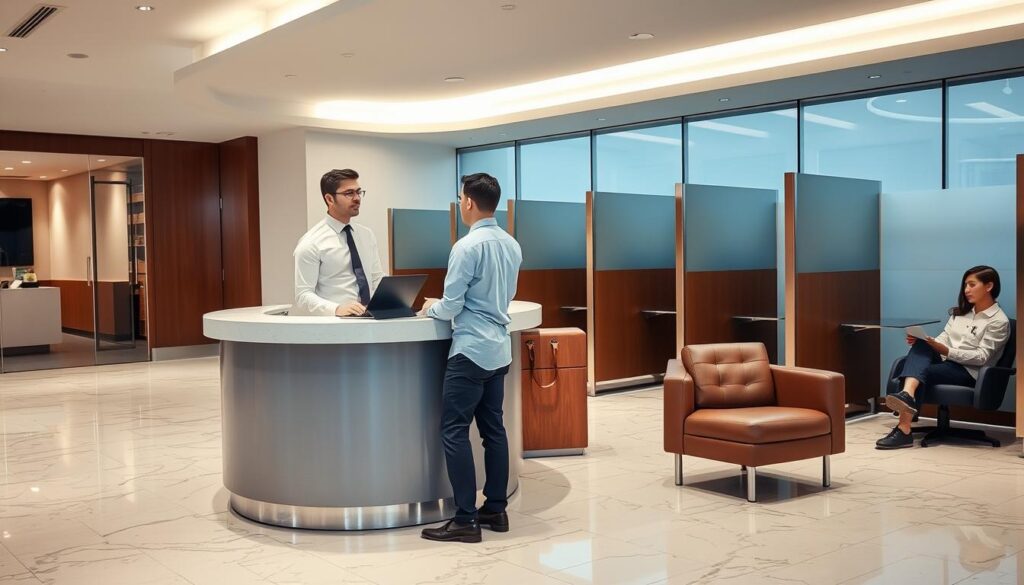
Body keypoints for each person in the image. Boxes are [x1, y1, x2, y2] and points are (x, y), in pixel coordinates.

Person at [419, 173, 522, 543]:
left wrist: (430, 308)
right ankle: (495, 509)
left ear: (467, 202)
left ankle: (465, 518)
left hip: (470, 351)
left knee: (453, 430)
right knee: (493, 429)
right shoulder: (511, 244)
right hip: (497, 349)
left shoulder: (466, 247)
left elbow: (451, 306)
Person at [876, 265, 1010, 449]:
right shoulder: (960, 313)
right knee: (922, 344)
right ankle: (906, 397)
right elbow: (942, 339)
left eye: (972, 285)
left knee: (908, 368)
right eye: (965, 285)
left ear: (988, 286)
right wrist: (928, 341)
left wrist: (945, 351)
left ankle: (904, 427)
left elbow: (982, 357)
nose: (966, 290)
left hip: (970, 372)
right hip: (947, 363)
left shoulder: (998, 321)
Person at [292, 168, 384, 317]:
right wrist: (336, 308)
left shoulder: (366, 235)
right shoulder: (311, 242)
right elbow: (303, 295)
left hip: (371, 320)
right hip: (336, 325)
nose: (357, 198)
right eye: (349, 193)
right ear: (329, 199)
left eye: (358, 192)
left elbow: (376, 277)